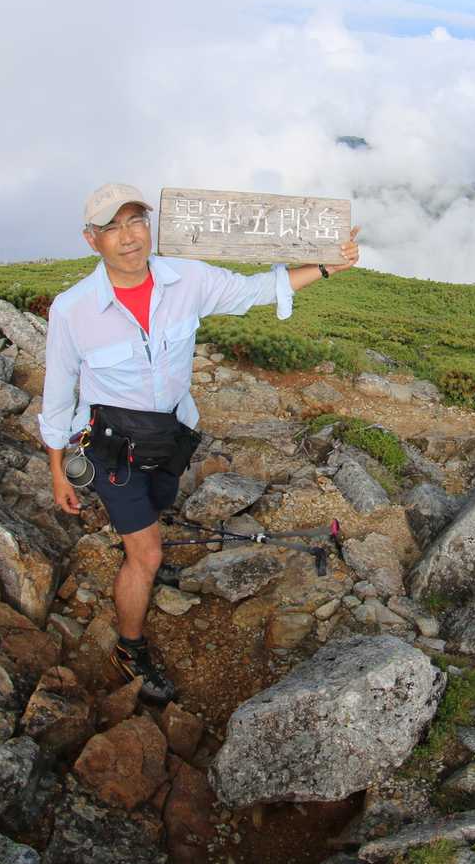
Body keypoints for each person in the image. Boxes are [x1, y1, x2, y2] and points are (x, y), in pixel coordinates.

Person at [39, 182, 361, 702]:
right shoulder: (72, 309)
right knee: (145, 555)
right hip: (111, 447)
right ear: (91, 239)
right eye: (112, 227)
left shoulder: (186, 279)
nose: (129, 237)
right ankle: (130, 647)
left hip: (171, 436)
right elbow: (57, 393)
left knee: (159, 508)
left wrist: (326, 267)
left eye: (136, 221)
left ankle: (145, 555)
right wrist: (58, 468)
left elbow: (256, 290)